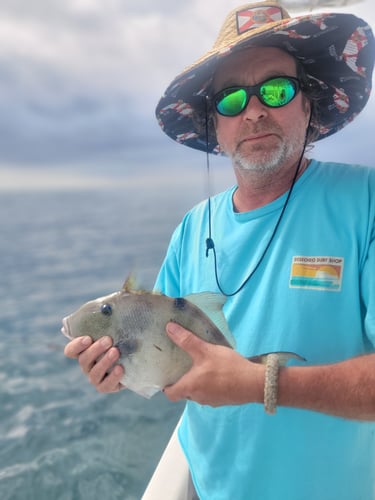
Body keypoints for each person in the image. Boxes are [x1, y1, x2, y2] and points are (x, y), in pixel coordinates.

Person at [64, 2, 375, 499]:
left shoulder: (366, 201)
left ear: (308, 104)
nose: (254, 110)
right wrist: (117, 371)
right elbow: (168, 359)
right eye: (231, 99)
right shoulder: (191, 228)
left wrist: (263, 383)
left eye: (276, 89)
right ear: (216, 125)